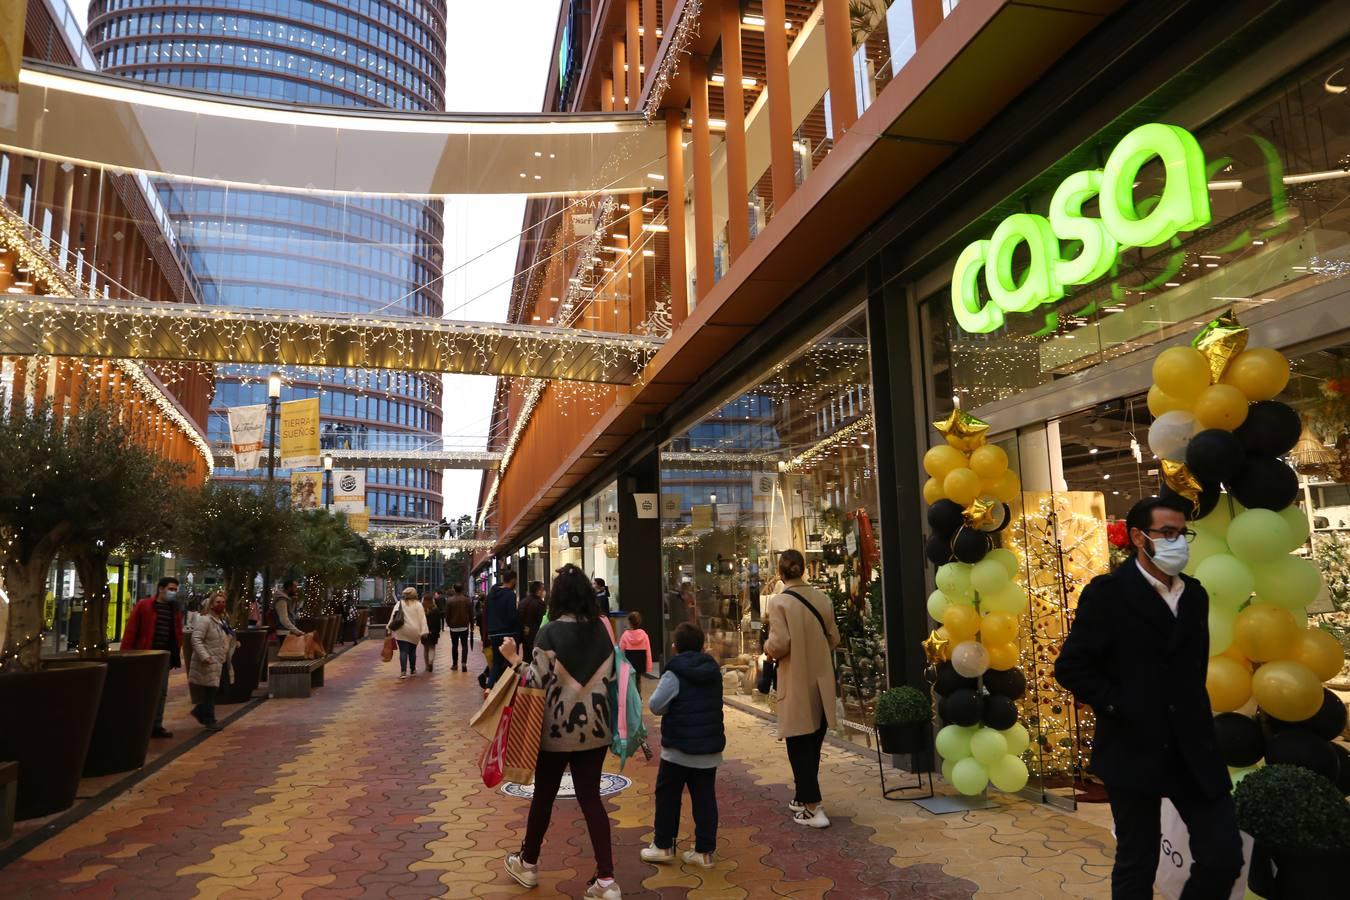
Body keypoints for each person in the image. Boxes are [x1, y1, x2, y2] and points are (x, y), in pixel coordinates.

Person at [1055, 497, 1242, 899]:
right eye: (1168, 533)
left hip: (1194, 747)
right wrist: (1120, 705)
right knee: (1137, 861)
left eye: (1183, 533)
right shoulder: (1107, 594)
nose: (1179, 542)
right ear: (1139, 537)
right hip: (1133, 744)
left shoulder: (1195, 595)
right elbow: (1071, 666)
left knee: (1223, 854)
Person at [499, 565, 621, 899]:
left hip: (553, 732)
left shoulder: (549, 633)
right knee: (591, 799)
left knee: (544, 797)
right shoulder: (602, 631)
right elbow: (612, 679)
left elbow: (533, 681)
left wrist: (512, 659)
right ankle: (607, 881)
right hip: (596, 731)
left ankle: (528, 863)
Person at [763, 549, 840, 829]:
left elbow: (779, 643)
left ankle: (813, 807)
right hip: (821, 679)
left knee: (798, 745)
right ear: (804, 569)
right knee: (813, 744)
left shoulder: (780, 602)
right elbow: (834, 637)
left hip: (796, 679)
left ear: (780, 573)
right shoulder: (823, 598)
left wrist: (767, 650)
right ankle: (802, 796)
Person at [641, 622, 724, 868]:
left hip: (678, 750)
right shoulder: (713, 671)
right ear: (702, 646)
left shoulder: (674, 672)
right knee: (705, 799)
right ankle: (705, 852)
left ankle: (664, 845)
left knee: (668, 796)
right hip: (709, 749)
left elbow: (656, 705)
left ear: (675, 647)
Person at [121, 576, 184, 738]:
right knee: (143, 691)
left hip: (164, 656)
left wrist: (176, 652)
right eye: (170, 589)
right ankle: (139, 724)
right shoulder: (145, 605)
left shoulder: (175, 610)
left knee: (161, 692)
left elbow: (177, 632)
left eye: (175, 590)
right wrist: (126, 653)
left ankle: (156, 724)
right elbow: (131, 630)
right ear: (161, 588)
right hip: (145, 654)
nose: (173, 592)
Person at [188, 591, 235, 731]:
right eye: (217, 602)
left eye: (223, 602)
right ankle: (209, 719)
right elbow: (196, 639)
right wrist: (205, 656)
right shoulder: (205, 620)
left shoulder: (221, 620)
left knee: (219, 689)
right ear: (211, 604)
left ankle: (200, 711)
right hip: (209, 660)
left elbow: (226, 635)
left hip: (219, 660)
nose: (220, 605)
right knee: (211, 691)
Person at [485, 570, 520, 688]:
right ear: (513, 580)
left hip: (494, 632)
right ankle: (509, 688)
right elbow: (512, 615)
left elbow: (487, 613)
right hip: (508, 632)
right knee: (511, 661)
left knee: (496, 662)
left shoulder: (491, 594)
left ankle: (489, 687)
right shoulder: (510, 594)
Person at [390, 587, 430, 679]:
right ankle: (412, 670)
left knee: (403, 651)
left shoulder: (399, 604)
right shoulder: (418, 605)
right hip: (414, 631)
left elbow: (393, 616)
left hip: (401, 630)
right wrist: (424, 630)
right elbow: (422, 619)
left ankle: (403, 672)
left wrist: (389, 628)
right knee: (412, 651)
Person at [444, 583, 473, 672]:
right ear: (462, 589)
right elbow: (471, 614)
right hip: (464, 625)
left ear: (454, 589)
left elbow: (447, 615)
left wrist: (449, 624)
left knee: (454, 645)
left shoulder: (449, 600)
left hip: (454, 626)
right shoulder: (467, 600)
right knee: (464, 645)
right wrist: (471, 624)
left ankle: (455, 664)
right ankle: (464, 663)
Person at [518, 580, 547, 660]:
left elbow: (519, 618)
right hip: (536, 635)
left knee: (526, 658)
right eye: (543, 589)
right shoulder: (540, 603)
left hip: (524, 636)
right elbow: (542, 620)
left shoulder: (522, 602)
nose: (544, 592)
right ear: (538, 591)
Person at [421, 593, 444, 673]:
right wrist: (438, 631)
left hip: (424, 631)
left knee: (425, 649)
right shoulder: (436, 609)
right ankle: (431, 662)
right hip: (433, 631)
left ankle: (427, 666)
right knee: (432, 648)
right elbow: (438, 623)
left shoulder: (422, 609)